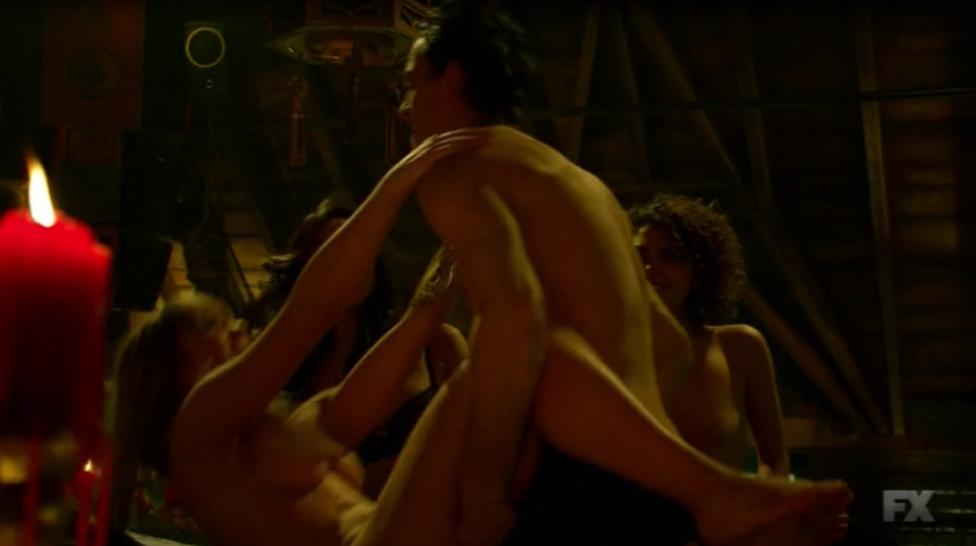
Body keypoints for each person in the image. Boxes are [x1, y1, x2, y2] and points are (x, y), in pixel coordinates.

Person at [395, 2, 849, 545]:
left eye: (412, 84)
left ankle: (717, 492)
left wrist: (484, 494)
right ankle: (714, 491)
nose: (403, 107)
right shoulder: (581, 184)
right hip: (645, 491)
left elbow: (514, 316)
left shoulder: (457, 168)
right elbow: (670, 345)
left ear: (452, 79)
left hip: (568, 484)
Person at [248, 197, 467, 495]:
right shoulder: (287, 371)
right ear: (308, 267)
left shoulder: (435, 344)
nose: (350, 260)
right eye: (331, 249)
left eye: (361, 245)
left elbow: (481, 442)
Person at [631, 194, 789, 476]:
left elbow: (774, 461)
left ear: (698, 271)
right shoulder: (611, 353)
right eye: (640, 256)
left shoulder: (739, 347)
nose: (651, 269)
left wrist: (764, 496)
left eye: (671, 256)